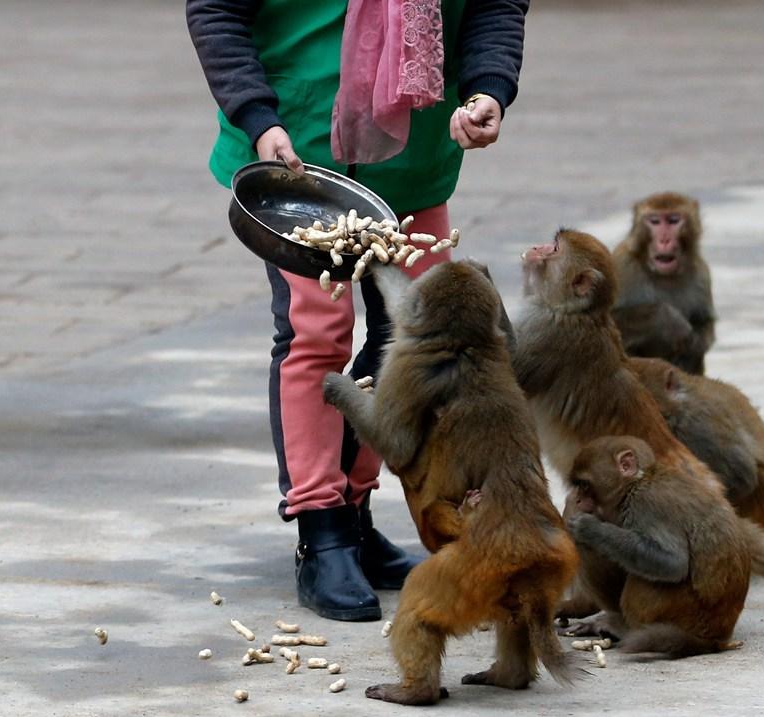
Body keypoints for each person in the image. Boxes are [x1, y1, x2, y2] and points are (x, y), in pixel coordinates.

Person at [186, 0, 530, 621]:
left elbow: (494, 6)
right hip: (298, 147)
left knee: (418, 334)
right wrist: (257, 117)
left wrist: (489, 91)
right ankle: (322, 532)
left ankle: (356, 510)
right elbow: (215, 10)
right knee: (317, 332)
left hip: (414, 151)